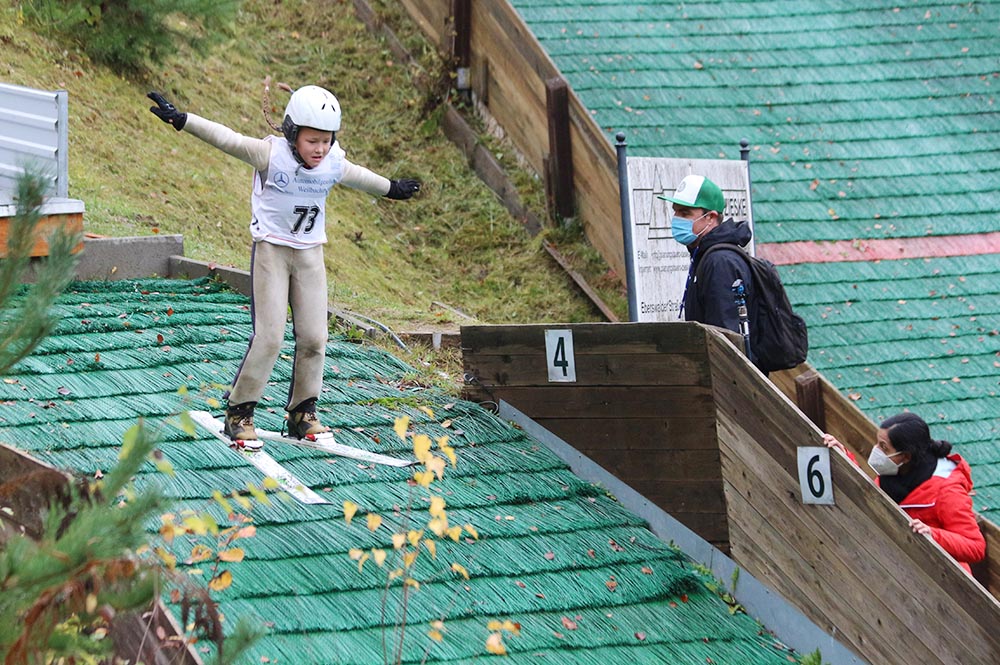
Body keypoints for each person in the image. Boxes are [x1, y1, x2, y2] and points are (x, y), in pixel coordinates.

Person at [147, 85, 420, 447]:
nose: (320, 149)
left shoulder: (332, 162)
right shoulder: (270, 154)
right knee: (270, 336)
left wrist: (393, 189)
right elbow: (227, 139)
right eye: (312, 141)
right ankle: (240, 412)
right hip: (272, 253)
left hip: (310, 256)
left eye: (326, 141)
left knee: (314, 338)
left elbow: (359, 176)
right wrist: (182, 119)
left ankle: (302, 413)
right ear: (292, 134)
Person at [824, 412, 986, 574]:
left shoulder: (948, 491)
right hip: (898, 565)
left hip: (938, 577)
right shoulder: (893, 471)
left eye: (883, 447)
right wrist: (844, 457)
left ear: (906, 456)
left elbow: (976, 547)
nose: (877, 450)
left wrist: (932, 535)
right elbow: (871, 495)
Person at [659, 174, 756, 359]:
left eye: (685, 213)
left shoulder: (719, 262)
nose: (677, 219)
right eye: (675, 211)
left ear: (710, 218)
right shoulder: (705, 254)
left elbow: (726, 337)